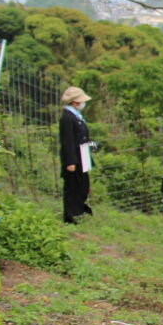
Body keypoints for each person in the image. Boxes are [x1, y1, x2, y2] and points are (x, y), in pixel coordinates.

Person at [58, 86, 93, 223]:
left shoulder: (76, 116)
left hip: (83, 155)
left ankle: (80, 210)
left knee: (83, 185)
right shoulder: (67, 118)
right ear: (74, 102)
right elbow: (68, 142)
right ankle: (70, 216)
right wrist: (70, 161)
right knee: (72, 187)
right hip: (74, 158)